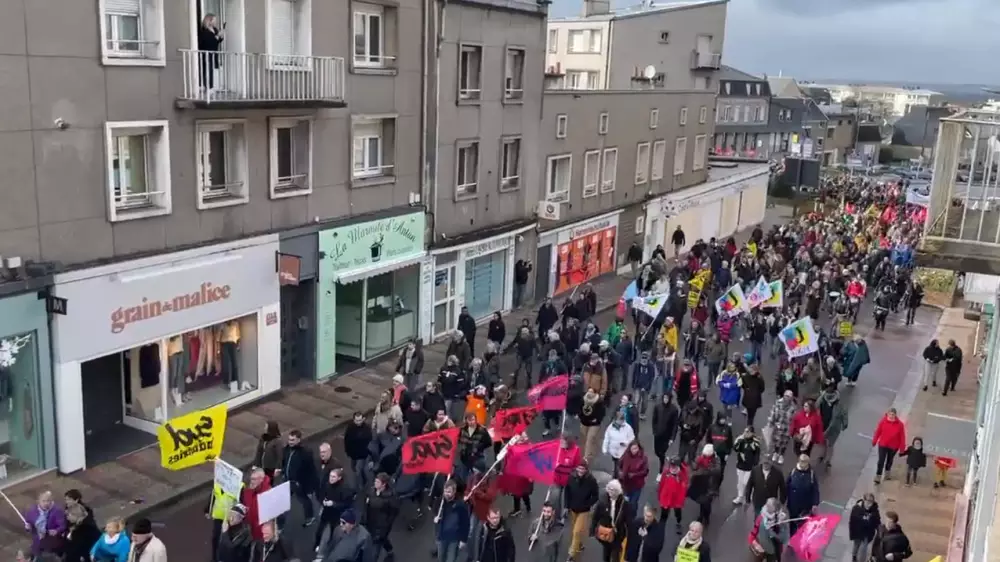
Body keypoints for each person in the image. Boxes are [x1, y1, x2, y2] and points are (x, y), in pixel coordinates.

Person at [278, 428, 317, 526]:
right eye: (289, 439)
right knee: (282, 502)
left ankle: (309, 517)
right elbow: (285, 462)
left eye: (292, 440)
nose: (290, 442)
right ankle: (280, 524)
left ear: (299, 440)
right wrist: (282, 471)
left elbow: (311, 471)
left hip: (298, 483)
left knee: (304, 500)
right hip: (287, 481)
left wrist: (309, 489)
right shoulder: (286, 449)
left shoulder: (306, 453)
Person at [565, 462, 599, 561]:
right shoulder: (571, 478)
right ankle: (579, 545)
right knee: (575, 530)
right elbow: (567, 492)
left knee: (576, 531)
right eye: (579, 468)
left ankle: (571, 554)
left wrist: (588, 504)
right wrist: (566, 506)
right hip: (573, 509)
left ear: (586, 470)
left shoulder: (591, 480)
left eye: (583, 469)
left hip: (584, 511)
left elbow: (595, 495)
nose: (580, 471)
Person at [362, 472, 400, 562]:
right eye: (375, 481)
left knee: (375, 551)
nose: (375, 483)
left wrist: (386, 525)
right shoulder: (371, 491)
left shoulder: (390, 497)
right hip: (371, 522)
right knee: (382, 540)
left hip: (381, 526)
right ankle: (389, 550)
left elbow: (394, 512)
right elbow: (366, 505)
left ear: (384, 484)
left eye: (378, 482)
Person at [591, 480, 632, 562]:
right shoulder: (603, 500)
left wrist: (630, 535)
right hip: (606, 532)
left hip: (618, 534)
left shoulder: (624, 504)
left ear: (618, 491)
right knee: (606, 552)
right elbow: (596, 516)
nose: (610, 491)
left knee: (615, 555)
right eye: (609, 489)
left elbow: (628, 521)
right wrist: (592, 529)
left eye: (613, 490)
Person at [316, 468, 356, 549]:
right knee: (320, 529)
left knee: (334, 531)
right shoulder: (327, 485)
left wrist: (333, 504)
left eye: (333, 477)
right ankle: (317, 544)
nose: (331, 478)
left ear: (339, 478)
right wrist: (323, 501)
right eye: (330, 476)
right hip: (327, 511)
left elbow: (347, 504)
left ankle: (331, 545)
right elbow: (323, 494)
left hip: (337, 514)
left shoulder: (345, 489)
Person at [23, 490, 67, 558]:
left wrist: (56, 531)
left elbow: (63, 525)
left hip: (52, 543)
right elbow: (29, 525)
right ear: (38, 501)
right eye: (43, 501)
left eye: (48, 501)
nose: (46, 503)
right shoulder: (32, 511)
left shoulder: (57, 511)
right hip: (38, 543)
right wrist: (28, 528)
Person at [434, 481, 470, 562]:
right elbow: (435, 511)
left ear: (454, 491)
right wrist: (436, 518)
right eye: (445, 491)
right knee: (441, 558)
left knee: (451, 559)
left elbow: (465, 523)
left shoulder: (460, 505)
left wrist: (463, 540)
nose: (446, 494)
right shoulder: (440, 501)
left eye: (449, 492)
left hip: (454, 539)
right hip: (442, 536)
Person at [687, 444, 722, 525]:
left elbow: (717, 470)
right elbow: (694, 467)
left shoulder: (716, 459)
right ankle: (701, 515)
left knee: (707, 503)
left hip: (710, 484)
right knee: (702, 501)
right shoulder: (701, 457)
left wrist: (707, 469)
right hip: (701, 483)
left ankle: (706, 517)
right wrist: (696, 463)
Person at [785, 455, 820, 535]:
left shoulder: (811, 474)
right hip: (793, 505)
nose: (803, 464)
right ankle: (792, 538)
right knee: (792, 524)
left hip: (805, 506)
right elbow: (786, 486)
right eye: (802, 462)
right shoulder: (793, 472)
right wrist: (783, 500)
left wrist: (815, 503)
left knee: (803, 525)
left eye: (805, 462)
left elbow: (815, 490)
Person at [748, 498, 789, 562]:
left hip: (774, 550)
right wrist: (755, 543)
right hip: (762, 547)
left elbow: (784, 538)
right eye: (767, 505)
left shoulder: (780, 520)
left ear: (776, 510)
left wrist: (781, 525)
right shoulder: (761, 518)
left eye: (770, 506)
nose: (767, 507)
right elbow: (753, 534)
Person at [872, 408, 907, 484]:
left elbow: (902, 437)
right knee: (881, 460)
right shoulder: (883, 421)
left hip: (893, 446)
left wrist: (902, 448)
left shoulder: (900, 425)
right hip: (883, 445)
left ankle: (887, 474)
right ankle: (878, 476)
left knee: (889, 460)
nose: (891, 416)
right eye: (890, 414)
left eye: (893, 414)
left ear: (895, 415)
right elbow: (878, 431)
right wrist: (874, 441)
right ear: (887, 414)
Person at [818, 384, 849, 468]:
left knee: (830, 444)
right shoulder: (823, 398)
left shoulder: (838, 401)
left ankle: (828, 460)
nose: (828, 389)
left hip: (834, 427)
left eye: (830, 388)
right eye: (827, 388)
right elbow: (816, 405)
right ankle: (822, 455)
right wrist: (822, 396)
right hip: (823, 423)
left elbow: (844, 413)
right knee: (823, 441)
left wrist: (845, 423)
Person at [656, 457, 689, 534]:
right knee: (664, 513)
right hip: (666, 496)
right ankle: (661, 526)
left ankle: (678, 523)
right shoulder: (666, 472)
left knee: (677, 512)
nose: (673, 467)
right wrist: (660, 495)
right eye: (672, 465)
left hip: (676, 498)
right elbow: (661, 484)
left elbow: (684, 487)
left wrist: (681, 499)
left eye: (675, 465)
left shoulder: (682, 474)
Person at [732, 426, 762, 505]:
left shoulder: (755, 442)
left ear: (752, 433)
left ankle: (750, 494)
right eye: (745, 431)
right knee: (740, 483)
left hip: (750, 467)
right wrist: (740, 440)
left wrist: (755, 464)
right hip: (740, 465)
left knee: (746, 482)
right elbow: (735, 448)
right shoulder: (740, 439)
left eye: (748, 432)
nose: (746, 433)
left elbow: (757, 454)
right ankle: (740, 497)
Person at [848, 493, 881, 562]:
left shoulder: (874, 510)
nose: (869, 504)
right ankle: (854, 556)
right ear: (864, 500)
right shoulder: (857, 508)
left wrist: (879, 530)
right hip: (857, 532)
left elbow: (877, 521)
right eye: (868, 501)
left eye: (871, 502)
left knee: (863, 549)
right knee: (856, 545)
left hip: (867, 533)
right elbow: (852, 521)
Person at [651, 394, 679, 474]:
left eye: (667, 398)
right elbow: (654, 419)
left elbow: (675, 425)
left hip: (667, 436)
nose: (665, 399)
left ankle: (661, 468)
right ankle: (663, 458)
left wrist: (672, 438)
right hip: (658, 434)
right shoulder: (658, 407)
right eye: (664, 398)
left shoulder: (674, 409)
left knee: (662, 451)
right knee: (657, 451)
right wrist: (654, 431)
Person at [345, 412, 374, 488]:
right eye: (357, 420)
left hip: (362, 455)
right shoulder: (350, 428)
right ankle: (363, 481)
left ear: (363, 419)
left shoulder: (366, 429)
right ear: (354, 420)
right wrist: (347, 452)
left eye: (360, 420)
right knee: (354, 468)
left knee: (358, 470)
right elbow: (347, 441)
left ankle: (361, 487)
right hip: (353, 454)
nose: (358, 422)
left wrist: (370, 455)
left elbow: (370, 443)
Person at [618, 441, 650, 506]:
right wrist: (620, 472)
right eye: (633, 449)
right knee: (625, 502)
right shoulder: (626, 455)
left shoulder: (643, 458)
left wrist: (635, 475)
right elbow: (620, 464)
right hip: (626, 484)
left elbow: (645, 471)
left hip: (637, 485)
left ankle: (633, 511)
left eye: (636, 448)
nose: (634, 450)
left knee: (633, 503)